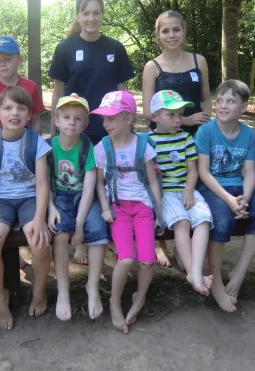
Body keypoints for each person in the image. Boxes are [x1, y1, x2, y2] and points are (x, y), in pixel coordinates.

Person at [49, 0, 135, 265]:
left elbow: (123, 90)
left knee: (112, 182)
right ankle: (81, 244)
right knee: (76, 187)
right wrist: (55, 128)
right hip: (76, 129)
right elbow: (57, 90)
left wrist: (128, 123)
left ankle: (114, 239)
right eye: (86, 13)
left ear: (102, 15)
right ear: (78, 15)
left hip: (109, 128)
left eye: (96, 13)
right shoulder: (65, 48)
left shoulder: (115, 48)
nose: (91, 18)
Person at [195, 80, 255, 313]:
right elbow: (204, 173)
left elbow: (250, 172)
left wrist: (246, 198)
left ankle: (239, 272)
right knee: (221, 221)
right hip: (211, 188)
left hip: (240, 187)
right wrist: (229, 201)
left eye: (231, 101)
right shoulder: (206, 131)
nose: (222, 105)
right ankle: (216, 280)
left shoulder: (249, 134)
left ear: (244, 108)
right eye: (219, 100)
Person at [0, 86, 52, 330]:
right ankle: (0, 297)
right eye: (8, 108)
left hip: (30, 198)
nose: (14, 113)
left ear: (29, 115)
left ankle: (40, 291)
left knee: (40, 241)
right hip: (2, 200)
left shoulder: (35, 140)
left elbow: (42, 183)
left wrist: (40, 218)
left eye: (21, 108)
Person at [142, 10, 211, 268]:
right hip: (162, 136)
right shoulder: (152, 67)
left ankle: (187, 252)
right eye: (165, 31)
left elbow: (205, 96)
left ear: (183, 31)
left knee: (190, 188)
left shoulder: (198, 61)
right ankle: (162, 244)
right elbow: (148, 110)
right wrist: (184, 120)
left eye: (176, 29)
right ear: (158, 36)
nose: (171, 35)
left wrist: (204, 119)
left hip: (194, 135)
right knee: (162, 184)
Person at [93, 91, 163, 334]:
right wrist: (104, 208)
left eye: (111, 118)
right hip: (118, 207)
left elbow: (153, 182)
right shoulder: (102, 148)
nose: (106, 124)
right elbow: (100, 183)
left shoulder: (142, 145)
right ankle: (114, 303)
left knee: (146, 260)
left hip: (143, 207)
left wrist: (158, 212)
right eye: (104, 119)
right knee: (126, 258)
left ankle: (140, 297)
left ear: (129, 119)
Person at [46, 93, 109, 321]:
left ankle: (92, 287)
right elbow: (44, 185)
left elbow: (90, 187)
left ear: (86, 123)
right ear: (56, 121)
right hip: (58, 197)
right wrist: (50, 208)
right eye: (66, 117)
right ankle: (63, 290)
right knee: (60, 234)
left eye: (78, 118)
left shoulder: (88, 148)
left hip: (83, 196)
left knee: (99, 231)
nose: (71, 122)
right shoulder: (47, 147)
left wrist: (80, 224)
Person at [148, 90, 213, 295]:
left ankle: (195, 271)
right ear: (154, 117)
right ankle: (194, 273)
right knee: (182, 222)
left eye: (180, 114)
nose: (178, 120)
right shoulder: (147, 141)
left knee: (203, 220)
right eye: (171, 115)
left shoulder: (186, 138)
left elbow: (193, 170)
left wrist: (188, 191)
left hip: (186, 189)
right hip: (165, 192)